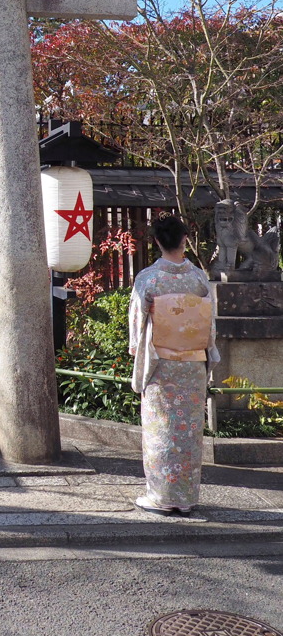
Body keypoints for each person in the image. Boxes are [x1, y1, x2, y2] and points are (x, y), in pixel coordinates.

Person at [129, 213, 219, 516]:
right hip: (192, 364)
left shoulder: (149, 279)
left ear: (157, 241)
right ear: (185, 240)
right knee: (189, 433)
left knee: (161, 431)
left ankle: (161, 496)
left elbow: (138, 324)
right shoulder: (197, 279)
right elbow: (209, 324)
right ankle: (185, 497)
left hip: (161, 365)